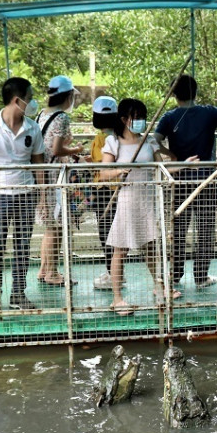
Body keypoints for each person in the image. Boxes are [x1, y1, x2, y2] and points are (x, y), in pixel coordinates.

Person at [100, 98, 198, 316]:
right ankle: (117, 299)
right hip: (127, 201)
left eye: (143, 117)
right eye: (137, 117)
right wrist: (118, 171)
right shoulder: (113, 142)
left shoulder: (149, 141)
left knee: (152, 247)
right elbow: (103, 173)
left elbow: (160, 169)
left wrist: (184, 164)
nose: (141, 121)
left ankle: (160, 287)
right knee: (120, 250)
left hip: (147, 200)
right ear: (125, 119)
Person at [0, 77, 45, 311]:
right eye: (30, 98)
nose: (32, 102)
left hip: (24, 193)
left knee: (22, 246)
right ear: (17, 100)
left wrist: (41, 196)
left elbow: (39, 164)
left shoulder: (32, 127)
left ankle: (18, 294)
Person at [154, 74, 217, 290]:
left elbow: (153, 142)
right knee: (205, 229)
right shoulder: (209, 112)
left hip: (182, 181)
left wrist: (172, 155)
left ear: (174, 94)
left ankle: (176, 276)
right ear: (195, 92)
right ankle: (200, 276)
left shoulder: (170, 116)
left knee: (179, 229)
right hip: (204, 180)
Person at [36, 75, 84, 286]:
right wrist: (76, 149)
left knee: (49, 226)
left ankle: (44, 269)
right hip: (55, 176)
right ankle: (52, 272)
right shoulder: (62, 117)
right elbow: (56, 148)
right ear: (68, 96)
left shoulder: (42, 114)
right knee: (55, 227)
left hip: (42, 173)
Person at [89, 95, 119, 290]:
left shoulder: (101, 139)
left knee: (106, 233)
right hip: (118, 189)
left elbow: (102, 164)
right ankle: (114, 271)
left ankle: (113, 274)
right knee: (114, 234)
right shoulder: (119, 136)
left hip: (105, 190)